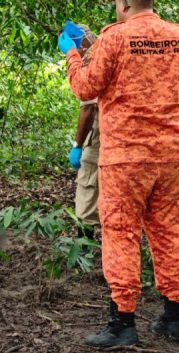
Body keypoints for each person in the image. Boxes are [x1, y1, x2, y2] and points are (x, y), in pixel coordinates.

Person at [58, 0, 179, 347]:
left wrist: (72, 54)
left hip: (126, 157)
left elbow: (85, 88)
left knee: (121, 232)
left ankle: (123, 323)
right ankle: (174, 319)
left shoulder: (115, 38)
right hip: (169, 154)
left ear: (126, 3)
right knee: (167, 231)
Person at [68, 26, 101, 236]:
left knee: (88, 183)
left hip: (100, 134)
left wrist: (77, 145)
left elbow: (88, 107)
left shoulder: (92, 60)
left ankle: (83, 247)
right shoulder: (107, 51)